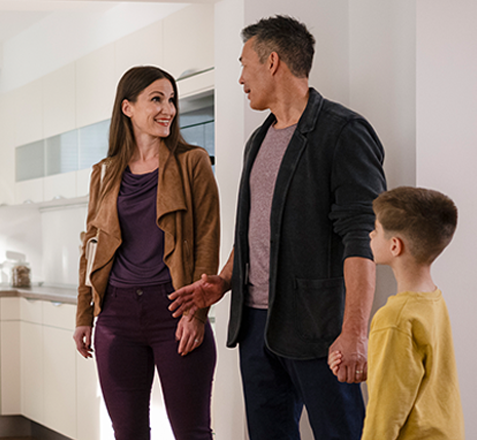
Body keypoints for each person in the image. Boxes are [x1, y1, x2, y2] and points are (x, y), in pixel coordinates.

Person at [168, 15, 386, 439]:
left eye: (244, 64)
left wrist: (354, 334)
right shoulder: (260, 139)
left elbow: (360, 237)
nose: (240, 78)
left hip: (318, 328)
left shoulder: (344, 132)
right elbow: (254, 229)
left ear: (272, 61)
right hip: (256, 327)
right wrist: (224, 281)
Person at [72, 66, 220, 440]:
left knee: (192, 432)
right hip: (116, 316)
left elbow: (207, 239)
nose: (167, 109)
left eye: (171, 100)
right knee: (127, 433)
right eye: (156, 99)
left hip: (173, 309)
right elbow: (90, 247)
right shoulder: (104, 173)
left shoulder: (193, 162)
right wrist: (83, 314)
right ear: (127, 108)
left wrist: (197, 312)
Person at [329, 187, 464, 440]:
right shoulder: (433, 300)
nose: (370, 234)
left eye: (376, 229)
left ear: (394, 246)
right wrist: (378, 365)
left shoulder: (393, 318)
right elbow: (420, 375)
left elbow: (384, 417)